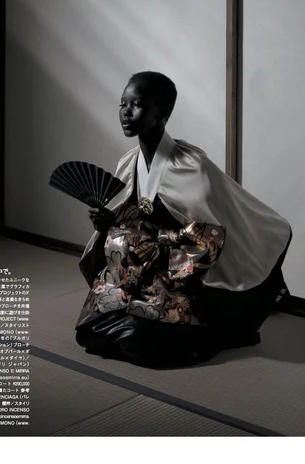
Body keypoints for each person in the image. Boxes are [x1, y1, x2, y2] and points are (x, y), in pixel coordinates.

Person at [75, 71, 292, 369]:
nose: (126, 112)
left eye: (136, 104)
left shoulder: (191, 165)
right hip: (139, 266)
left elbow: (207, 233)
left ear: (162, 112)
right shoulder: (129, 162)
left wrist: (163, 248)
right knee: (91, 330)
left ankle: (198, 328)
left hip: (180, 274)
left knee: (138, 339)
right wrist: (110, 223)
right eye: (123, 104)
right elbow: (132, 220)